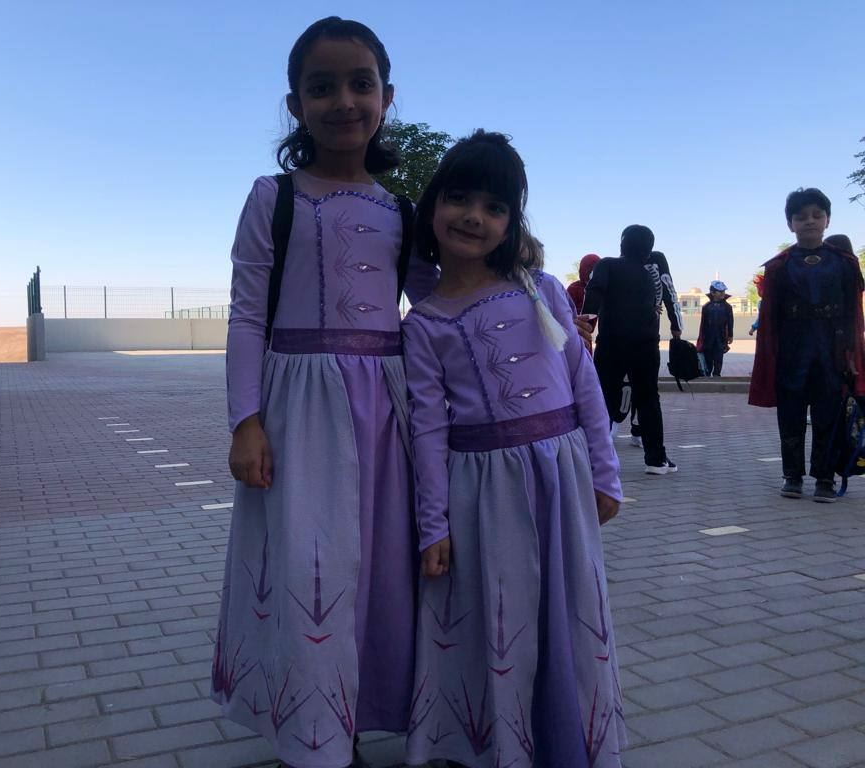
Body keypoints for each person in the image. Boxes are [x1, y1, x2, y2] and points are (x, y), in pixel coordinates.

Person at [210, 18, 440, 768]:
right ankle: (311, 739)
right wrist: (246, 421)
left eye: (360, 84)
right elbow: (247, 314)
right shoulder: (273, 198)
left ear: (387, 97)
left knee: (378, 567)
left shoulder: (403, 211)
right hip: (298, 409)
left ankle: (360, 717)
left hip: (388, 412)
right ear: (296, 105)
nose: (344, 101)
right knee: (310, 565)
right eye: (322, 87)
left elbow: (434, 307)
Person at [402, 130, 625, 768]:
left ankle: (570, 740)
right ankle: (500, 745)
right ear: (432, 208)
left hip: (562, 474)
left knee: (569, 606)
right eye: (459, 198)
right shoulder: (424, 324)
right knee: (502, 613)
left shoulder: (540, 288)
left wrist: (605, 472)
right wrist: (433, 526)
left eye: (494, 206)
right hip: (483, 491)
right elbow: (427, 429)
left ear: (511, 223)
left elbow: (584, 384)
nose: (474, 216)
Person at [750, 190, 865, 502]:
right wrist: (771, 357)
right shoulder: (779, 266)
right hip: (792, 349)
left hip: (832, 349)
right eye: (801, 217)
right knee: (791, 413)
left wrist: (853, 354)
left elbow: (853, 313)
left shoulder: (844, 263)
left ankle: (825, 478)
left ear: (828, 220)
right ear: (791, 224)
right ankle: (792, 476)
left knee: (829, 413)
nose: (809, 221)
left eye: (817, 215)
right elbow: (771, 318)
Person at [582, 229, 682, 474]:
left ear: (622, 245)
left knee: (603, 398)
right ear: (649, 249)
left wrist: (585, 327)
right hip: (646, 345)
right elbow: (669, 296)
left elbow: (593, 292)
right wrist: (676, 327)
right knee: (648, 399)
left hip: (611, 343)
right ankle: (656, 459)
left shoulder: (607, 265)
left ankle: (593, 459)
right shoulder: (652, 272)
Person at [697, 279, 734, 376]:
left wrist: (730, 335)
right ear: (712, 293)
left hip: (721, 337)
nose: (723, 293)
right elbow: (703, 324)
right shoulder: (706, 307)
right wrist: (701, 338)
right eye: (720, 291)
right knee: (708, 358)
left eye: (723, 291)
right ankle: (707, 373)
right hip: (708, 338)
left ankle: (717, 374)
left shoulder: (727, 307)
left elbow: (730, 322)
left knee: (718, 358)